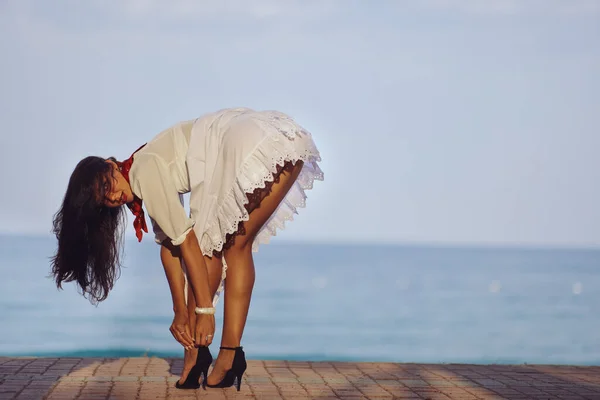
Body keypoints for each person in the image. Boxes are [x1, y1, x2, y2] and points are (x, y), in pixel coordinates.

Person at [50, 107, 323, 391]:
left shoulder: (143, 171)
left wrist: (205, 312)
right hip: (282, 141)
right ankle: (228, 357)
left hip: (245, 142)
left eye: (108, 185)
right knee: (235, 247)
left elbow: (187, 243)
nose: (114, 196)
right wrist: (180, 311)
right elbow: (170, 247)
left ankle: (196, 356)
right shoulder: (143, 167)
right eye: (104, 200)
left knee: (208, 248)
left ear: (111, 164)